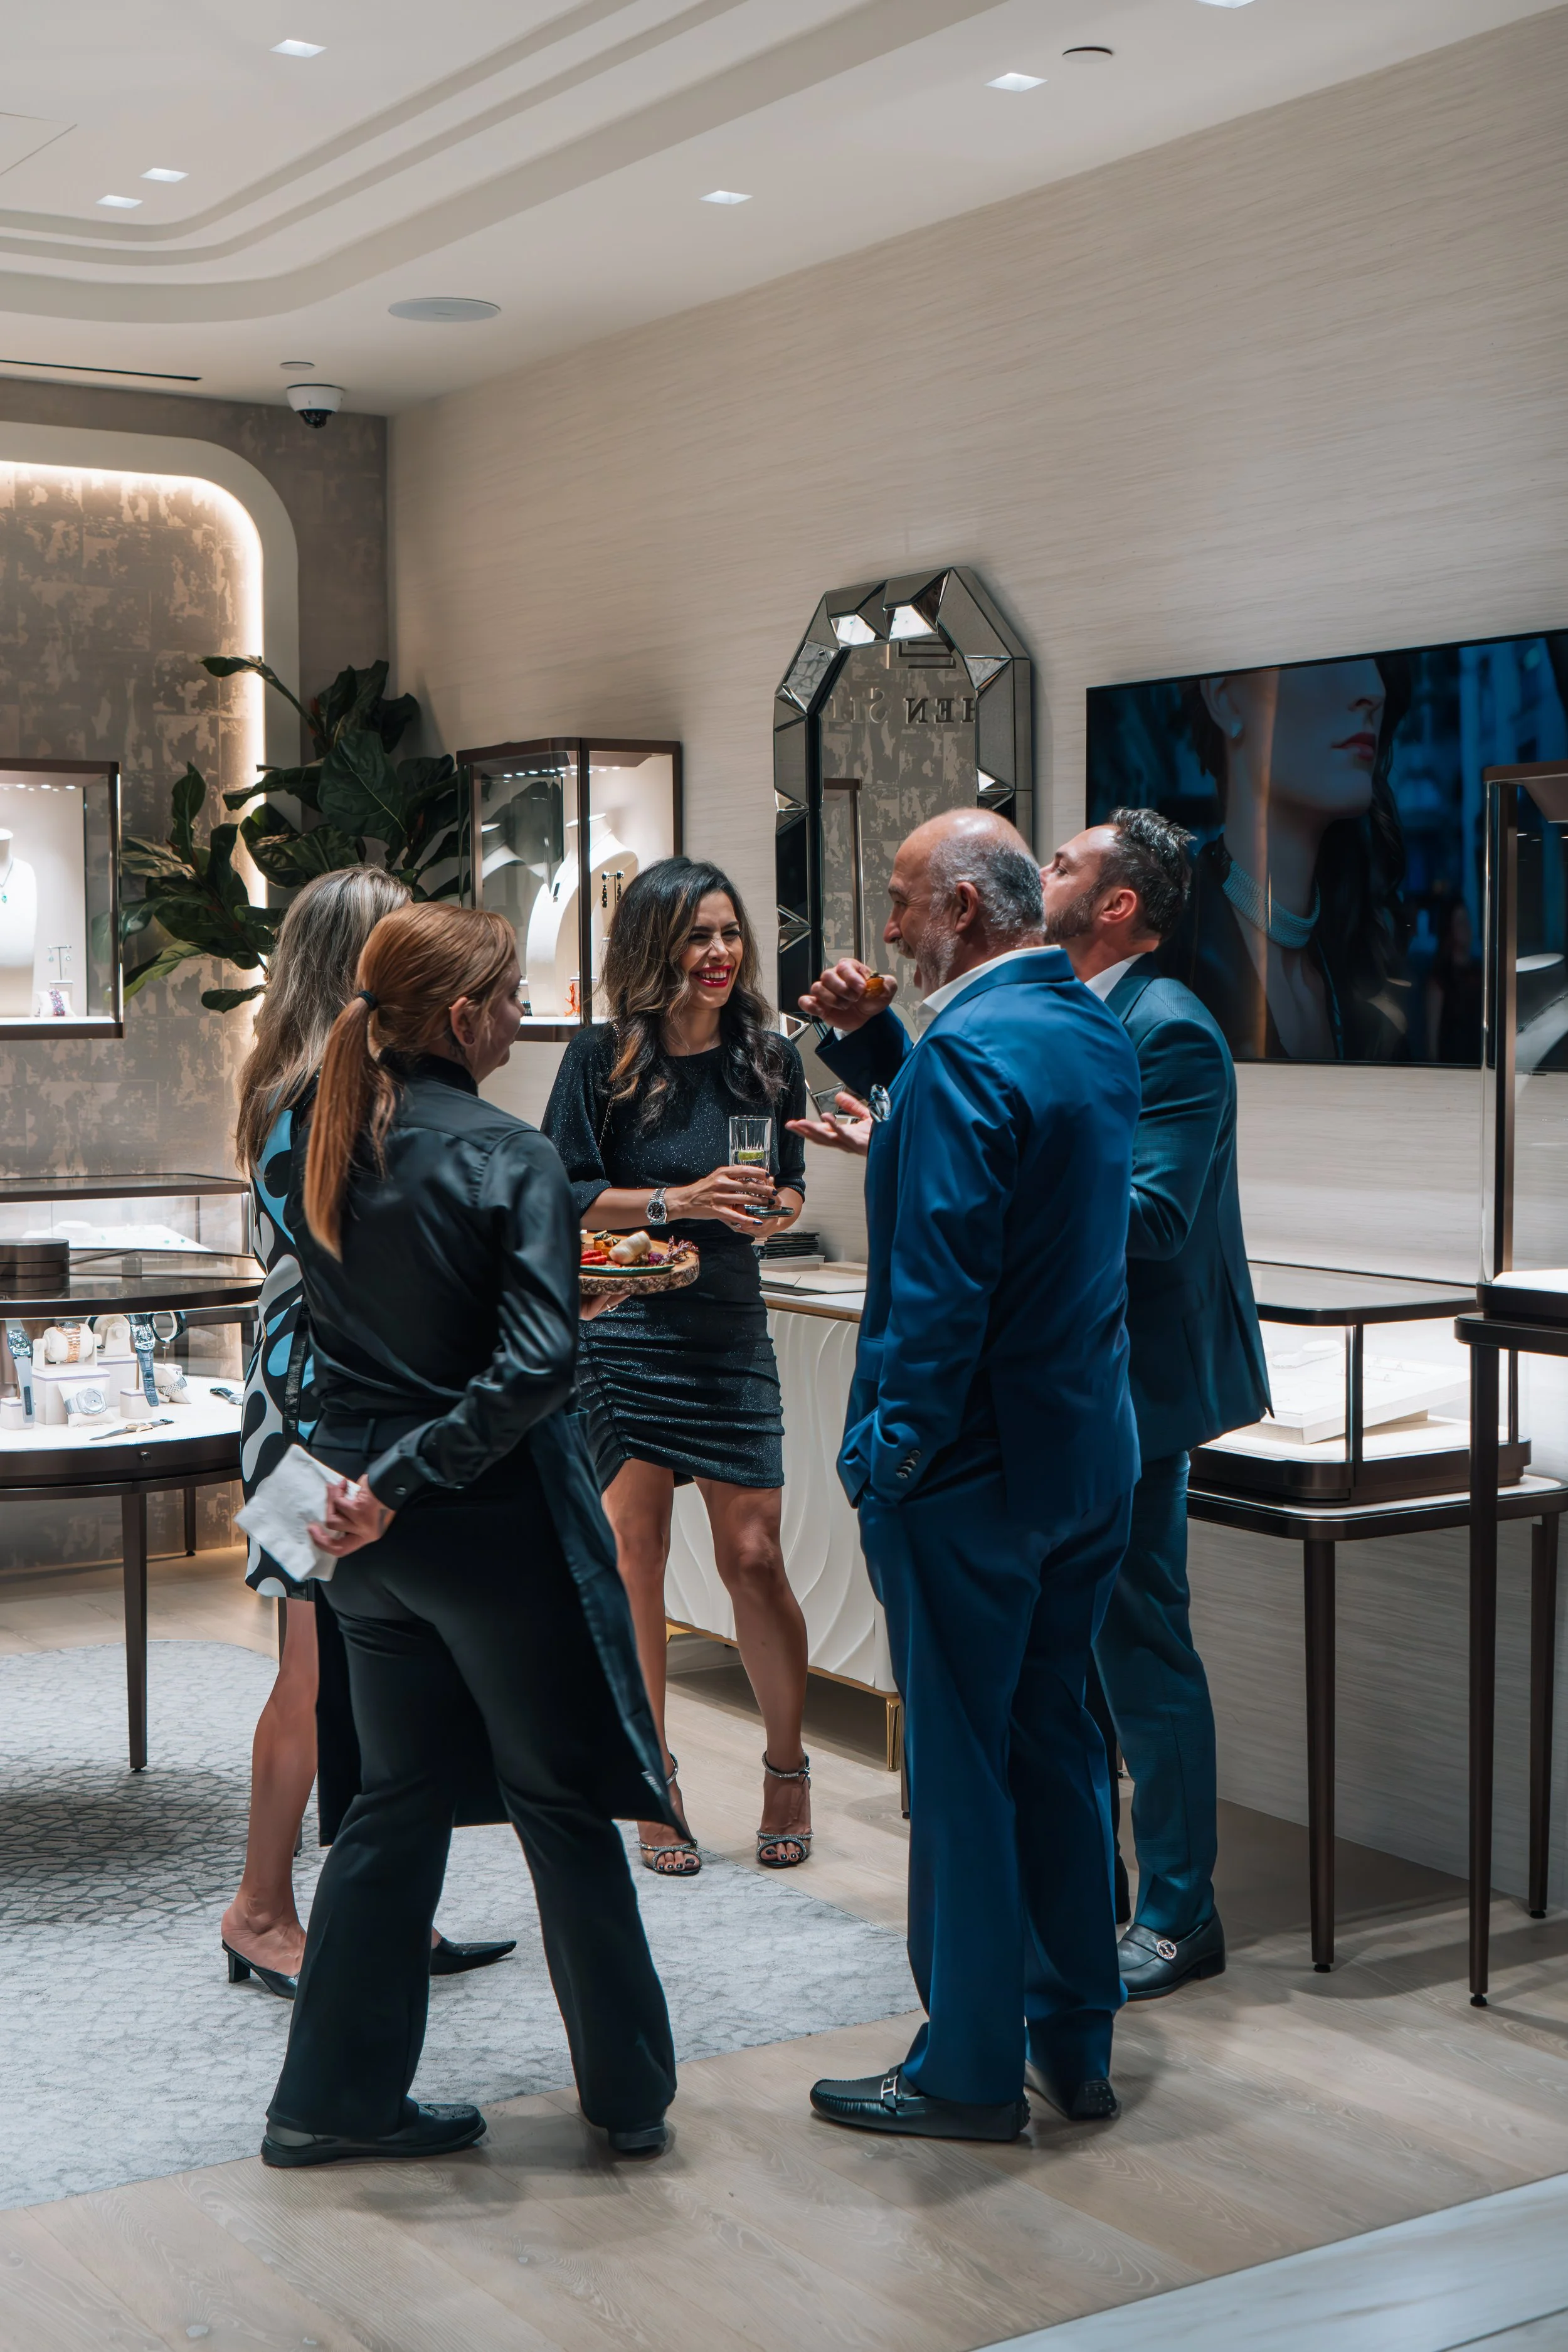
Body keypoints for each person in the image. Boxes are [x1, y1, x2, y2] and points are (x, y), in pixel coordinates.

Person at [260, 902, 675, 2169]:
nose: (521, 1015)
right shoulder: (508, 1156)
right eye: (507, 997)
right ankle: (626, 2098)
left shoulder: (313, 1142)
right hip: (484, 1527)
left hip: (366, 1543)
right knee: (561, 1806)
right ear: (458, 1017)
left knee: (394, 1803)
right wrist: (407, 1474)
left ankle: (327, 2103)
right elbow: (538, 1366)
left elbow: (367, 1332)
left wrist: (374, 1484)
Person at [790, 808, 1142, 2141]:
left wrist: (886, 1457)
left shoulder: (968, 1059)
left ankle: (965, 2072)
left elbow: (939, 1293)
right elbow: (1007, 1150)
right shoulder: (1088, 1033)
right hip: (1082, 1461)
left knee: (957, 1770)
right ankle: (1074, 2037)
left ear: (963, 908)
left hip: (970, 1478)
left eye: (898, 901)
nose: (884, 930)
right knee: (1054, 1746)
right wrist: (887, 1053)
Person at [224, 868, 513, 1997]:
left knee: (366, 1674)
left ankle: (380, 1903)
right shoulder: (319, 1098)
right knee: (310, 1672)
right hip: (310, 1417)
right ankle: (258, 1908)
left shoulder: (310, 1085)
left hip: (320, 1403)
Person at [541, 857, 814, 1877]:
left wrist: (766, 1211)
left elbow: (787, 1193)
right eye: (699, 937)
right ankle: (649, 1776)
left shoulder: (769, 1057)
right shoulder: (600, 1058)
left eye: (731, 935)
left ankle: (787, 1768)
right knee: (634, 1558)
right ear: (657, 947)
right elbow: (563, 1189)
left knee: (755, 1558)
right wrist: (675, 1202)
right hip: (622, 1329)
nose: (719, 955)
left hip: (728, 1329)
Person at [1038, 810, 1270, 1996]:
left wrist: (1011, 1179)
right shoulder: (1074, 1012)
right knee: (1083, 1652)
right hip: (1074, 1378)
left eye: (1066, 864)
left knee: (1140, 1642)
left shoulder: (1169, 1030)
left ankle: (1181, 1916)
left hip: (1141, 1386)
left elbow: (1158, 1220)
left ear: (1120, 904)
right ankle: (1106, 1896)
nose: (1044, 872)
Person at [1157, 658, 1411, 1061]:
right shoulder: (1163, 968)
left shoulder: (1360, 988)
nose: (1374, 690)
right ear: (1226, 699)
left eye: (1376, 666)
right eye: (1332, 659)